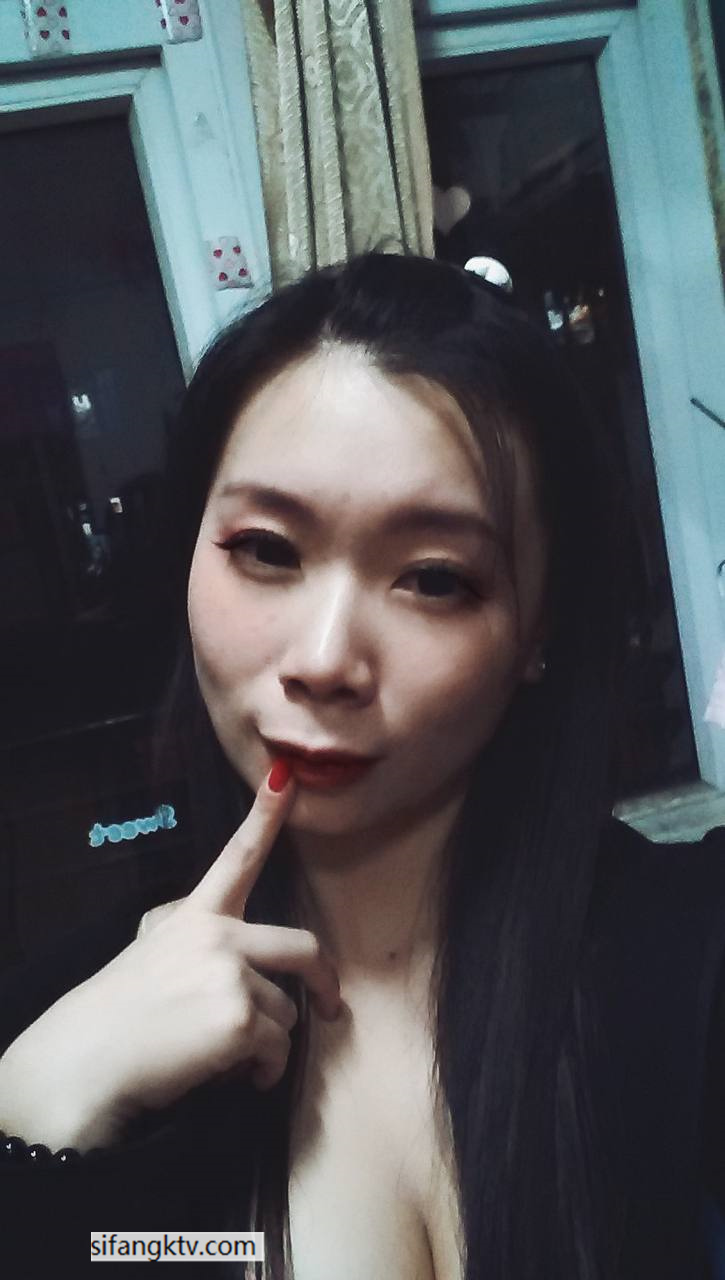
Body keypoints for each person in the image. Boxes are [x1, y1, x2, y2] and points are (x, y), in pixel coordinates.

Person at [1, 252, 724, 1280]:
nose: (324, 658)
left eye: (432, 578)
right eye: (266, 549)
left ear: (537, 629)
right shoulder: (57, 1026)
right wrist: (34, 1136)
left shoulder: (685, 955)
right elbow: (143, 1254)